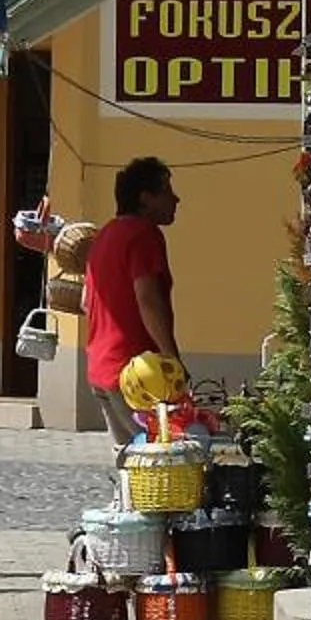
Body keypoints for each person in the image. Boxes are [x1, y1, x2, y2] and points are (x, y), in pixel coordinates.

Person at [81, 156, 184, 453]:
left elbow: (87, 302)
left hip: (101, 367)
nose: (176, 199)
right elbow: (147, 299)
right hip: (138, 374)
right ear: (145, 199)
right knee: (158, 463)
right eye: (166, 191)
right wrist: (171, 359)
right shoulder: (144, 235)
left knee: (131, 466)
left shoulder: (105, 235)